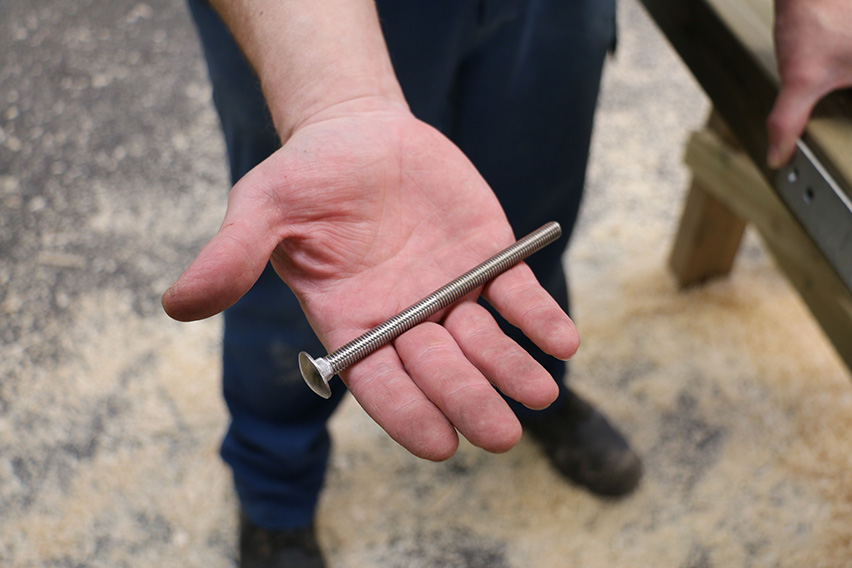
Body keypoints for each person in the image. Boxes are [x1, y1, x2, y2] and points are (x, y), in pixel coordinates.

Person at [164, 1, 852, 566]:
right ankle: (274, 486)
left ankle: (537, 391)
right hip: (315, 25)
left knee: (507, 236)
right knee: (319, 270)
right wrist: (338, 99)